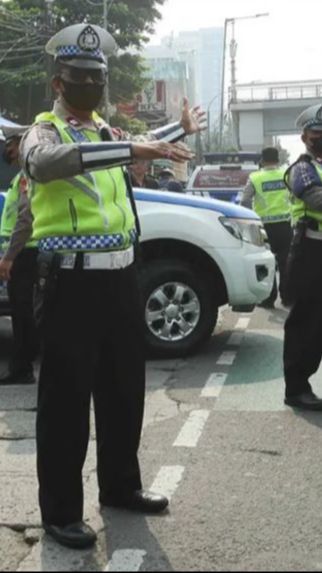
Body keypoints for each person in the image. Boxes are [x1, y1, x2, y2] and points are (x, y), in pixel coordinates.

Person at [11, 23, 206, 549]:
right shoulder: (43, 130)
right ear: (59, 82)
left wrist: (179, 131)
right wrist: (135, 150)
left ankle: (120, 486)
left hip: (121, 278)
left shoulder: (109, 134)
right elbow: (43, 165)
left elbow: (147, 144)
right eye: (80, 78)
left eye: (97, 78)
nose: (91, 87)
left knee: (124, 393)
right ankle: (60, 513)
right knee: (66, 402)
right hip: (68, 284)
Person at [282, 103, 322, 411]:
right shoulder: (302, 168)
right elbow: (316, 199)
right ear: (305, 136)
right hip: (311, 252)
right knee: (307, 323)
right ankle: (296, 387)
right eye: (317, 132)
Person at [0, 126, 39, 385]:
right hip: (23, 252)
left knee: (23, 314)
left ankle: (22, 369)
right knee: (23, 312)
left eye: (11, 145)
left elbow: (25, 218)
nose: (7, 150)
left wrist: (9, 257)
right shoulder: (20, 177)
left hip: (25, 253)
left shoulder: (26, 176)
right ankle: (22, 366)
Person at [241, 147, 292, 308]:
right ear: (278, 160)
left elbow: (245, 201)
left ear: (262, 160)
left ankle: (269, 299)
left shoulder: (255, 177)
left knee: (267, 263)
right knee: (285, 262)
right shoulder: (287, 174)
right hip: (285, 225)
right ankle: (287, 297)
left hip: (263, 228)